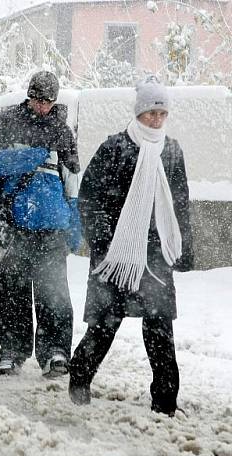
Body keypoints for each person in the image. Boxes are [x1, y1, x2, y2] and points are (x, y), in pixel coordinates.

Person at [68, 77, 193, 416]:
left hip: (155, 254)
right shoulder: (115, 148)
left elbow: (179, 201)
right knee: (106, 322)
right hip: (118, 254)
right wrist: (104, 238)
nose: (156, 119)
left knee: (160, 328)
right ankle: (79, 379)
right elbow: (89, 198)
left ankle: (165, 402)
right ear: (138, 113)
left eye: (161, 113)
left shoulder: (171, 150)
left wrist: (185, 245)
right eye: (151, 112)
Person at [0, 71, 80, 377]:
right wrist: (28, 157)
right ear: (29, 95)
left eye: (47, 102)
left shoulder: (63, 131)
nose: (41, 107)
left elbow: (71, 178)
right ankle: (12, 351)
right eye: (36, 99)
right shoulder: (4, 122)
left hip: (53, 224)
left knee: (55, 291)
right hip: (15, 223)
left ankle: (56, 352)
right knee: (13, 291)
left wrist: (74, 219)